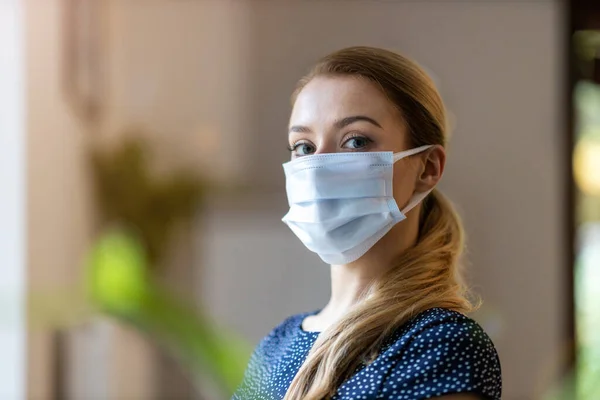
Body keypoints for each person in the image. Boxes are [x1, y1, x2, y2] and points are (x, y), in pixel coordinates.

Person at [232, 46, 502, 400]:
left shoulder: (440, 344)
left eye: (355, 141)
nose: (319, 167)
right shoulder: (276, 346)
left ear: (428, 168)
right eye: (303, 147)